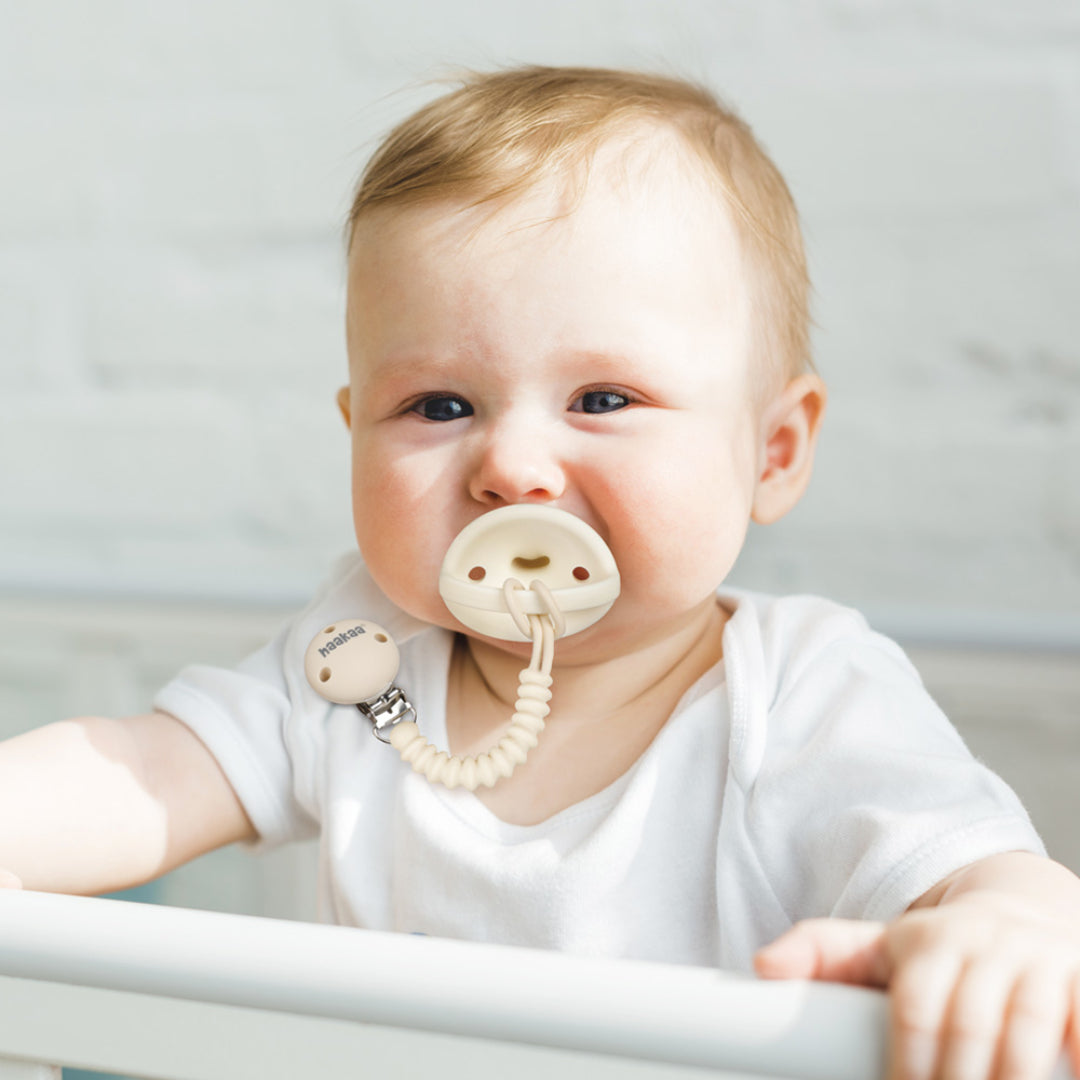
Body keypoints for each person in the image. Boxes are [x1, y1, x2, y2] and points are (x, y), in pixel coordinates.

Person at [2, 65, 1078, 1080]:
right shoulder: (365, 659)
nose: (511, 467)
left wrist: (1013, 919)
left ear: (773, 451)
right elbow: (146, 771)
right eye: (438, 406)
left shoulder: (802, 693)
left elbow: (962, 862)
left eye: (603, 399)